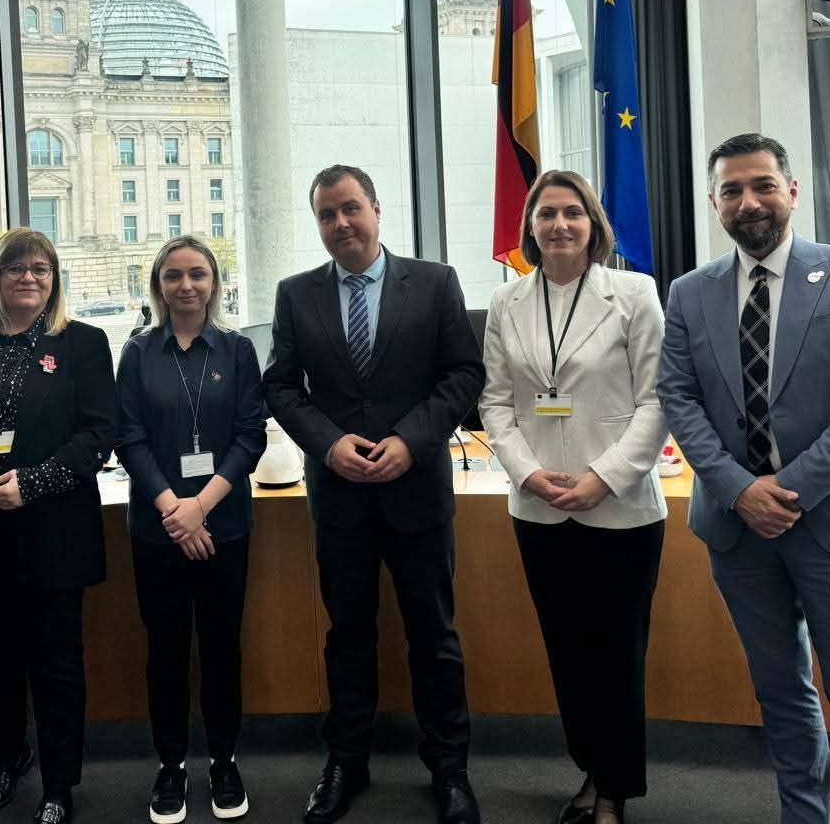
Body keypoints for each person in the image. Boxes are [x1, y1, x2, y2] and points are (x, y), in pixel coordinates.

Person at [657, 133, 830, 824]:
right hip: (738, 529)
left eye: (762, 185)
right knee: (780, 695)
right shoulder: (689, 293)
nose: (748, 202)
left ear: (792, 191)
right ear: (714, 202)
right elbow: (679, 398)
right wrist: (738, 490)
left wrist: (785, 491)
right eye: (731, 190)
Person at [262, 164, 484, 824]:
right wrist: (328, 444)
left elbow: (463, 373)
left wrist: (410, 441)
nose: (341, 224)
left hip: (417, 492)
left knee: (434, 636)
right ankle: (346, 762)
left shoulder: (435, 283)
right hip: (340, 497)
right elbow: (281, 387)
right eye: (327, 215)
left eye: (350, 208)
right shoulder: (296, 294)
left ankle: (450, 769)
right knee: (348, 635)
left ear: (377, 210)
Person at [478, 171, 667, 824]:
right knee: (567, 653)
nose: (559, 224)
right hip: (538, 508)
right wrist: (527, 473)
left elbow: (657, 400)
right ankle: (591, 768)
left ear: (593, 224)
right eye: (546, 213)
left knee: (617, 655)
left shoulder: (634, 294)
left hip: (620, 508)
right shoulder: (506, 302)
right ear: (530, 226)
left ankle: (614, 789)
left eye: (572, 212)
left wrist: (603, 477)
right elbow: (495, 403)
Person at [0, 228, 116, 824]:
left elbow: (98, 434)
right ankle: (8, 755)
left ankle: (60, 785)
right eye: (16, 267)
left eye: (41, 268)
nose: (29, 277)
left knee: (56, 662)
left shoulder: (82, 343)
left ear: (54, 278)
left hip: (52, 527)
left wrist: (31, 483)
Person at [116, 236, 267, 823]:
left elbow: (249, 437)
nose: (186, 285)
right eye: (173, 275)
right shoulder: (137, 352)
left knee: (223, 647)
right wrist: (173, 511)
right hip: (158, 531)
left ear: (214, 282)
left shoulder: (237, 350)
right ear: (158, 285)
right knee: (166, 651)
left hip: (223, 525)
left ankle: (224, 761)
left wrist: (199, 506)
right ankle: (171, 765)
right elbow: (129, 438)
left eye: (197, 274)